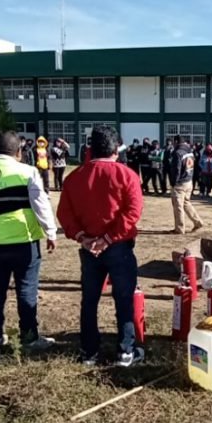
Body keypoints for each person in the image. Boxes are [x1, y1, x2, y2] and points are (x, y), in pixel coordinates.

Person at [57, 125, 145, 367]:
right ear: (116, 150)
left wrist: (83, 238)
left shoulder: (74, 177)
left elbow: (65, 214)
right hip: (118, 246)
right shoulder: (127, 175)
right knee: (124, 298)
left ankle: (89, 352)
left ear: (89, 149)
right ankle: (126, 351)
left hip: (90, 248)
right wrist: (107, 239)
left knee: (89, 300)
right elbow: (133, 212)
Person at [0, 132, 58, 351]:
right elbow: (40, 204)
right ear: (19, 152)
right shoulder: (27, 172)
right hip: (24, 241)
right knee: (26, 290)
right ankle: (29, 337)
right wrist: (50, 231)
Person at [170, 136, 203, 234]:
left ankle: (179, 228)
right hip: (189, 181)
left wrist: (173, 182)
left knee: (178, 206)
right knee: (186, 203)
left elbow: (177, 169)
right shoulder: (190, 152)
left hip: (180, 183)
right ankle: (198, 222)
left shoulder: (178, 153)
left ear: (176, 142)